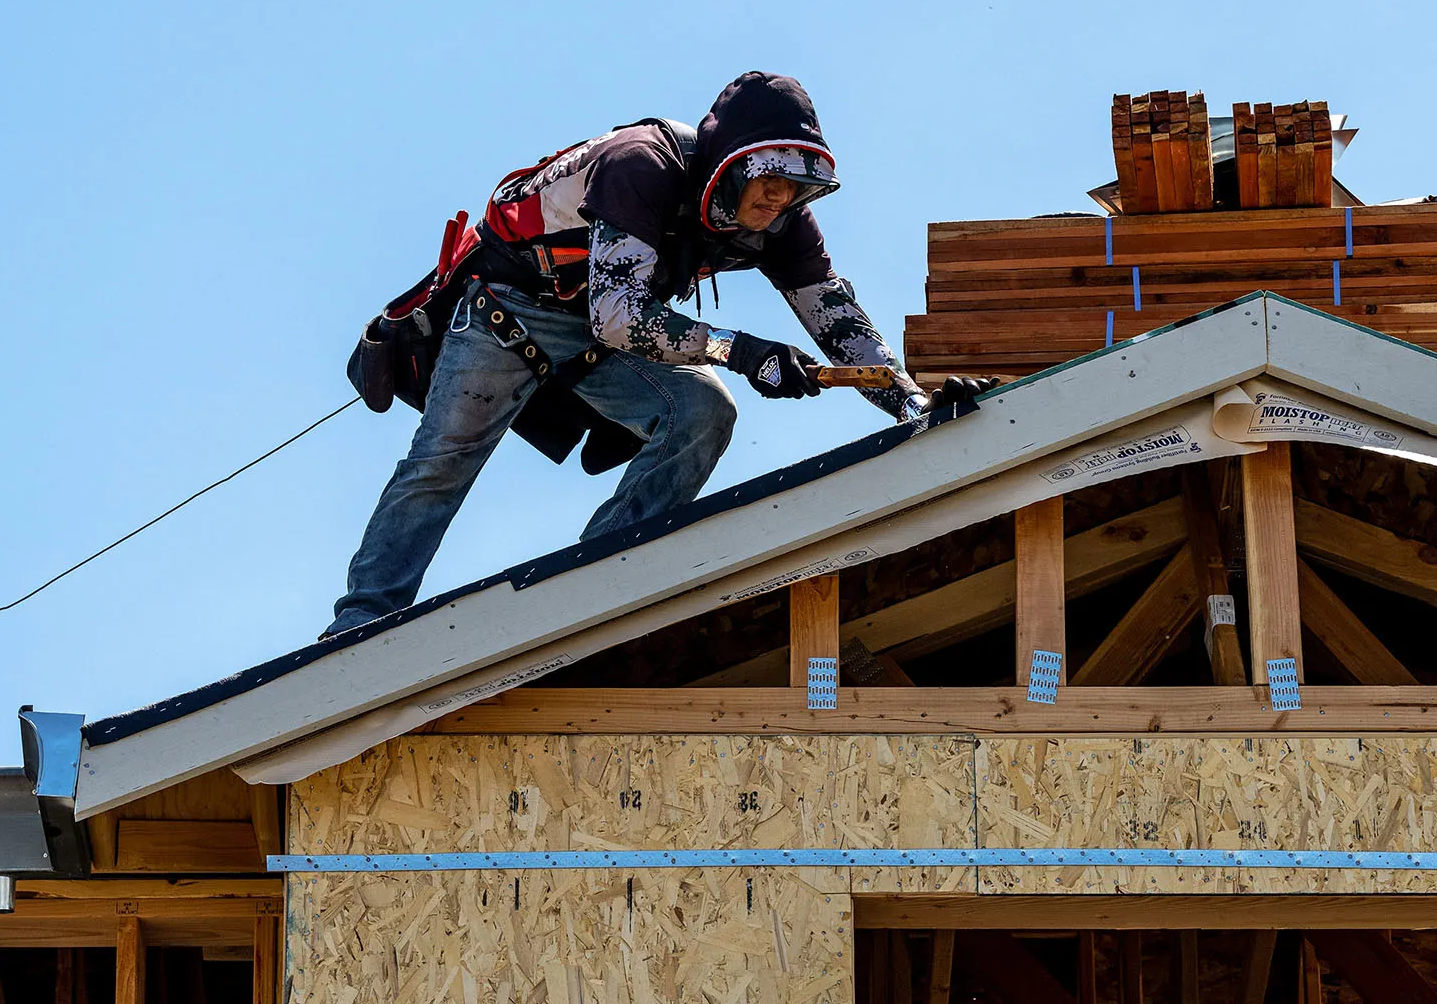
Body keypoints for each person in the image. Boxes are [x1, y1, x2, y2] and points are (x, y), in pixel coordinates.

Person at [322, 71, 982, 639]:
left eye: (797, 185)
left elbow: (834, 317)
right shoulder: (644, 164)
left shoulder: (779, 224)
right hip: (512, 312)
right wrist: (742, 350)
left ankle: (601, 576)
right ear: (729, 163)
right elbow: (617, 317)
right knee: (443, 461)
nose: (782, 197)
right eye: (770, 178)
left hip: (600, 332)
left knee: (702, 411)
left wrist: (912, 403)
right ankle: (358, 626)